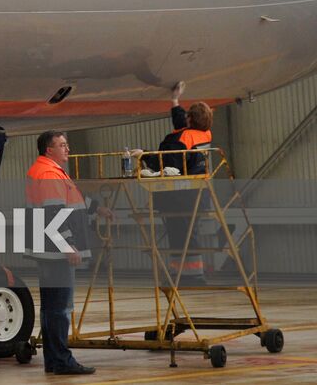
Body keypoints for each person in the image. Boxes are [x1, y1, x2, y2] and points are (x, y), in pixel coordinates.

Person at [27, 130, 110, 376]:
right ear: (48, 150)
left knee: (51, 308)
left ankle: (54, 360)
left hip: (47, 251)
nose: (68, 149)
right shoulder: (49, 174)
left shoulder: (46, 171)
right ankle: (62, 360)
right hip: (56, 253)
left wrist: (96, 208)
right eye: (62, 145)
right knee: (59, 309)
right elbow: (54, 214)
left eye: (67, 145)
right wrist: (68, 246)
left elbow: (70, 201)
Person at [130, 83, 213, 282]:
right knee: (188, 234)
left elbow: (167, 164)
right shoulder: (202, 134)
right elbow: (181, 124)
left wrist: (144, 155)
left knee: (180, 236)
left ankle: (190, 277)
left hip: (178, 195)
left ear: (190, 119)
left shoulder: (181, 139)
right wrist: (175, 100)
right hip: (198, 194)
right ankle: (186, 274)